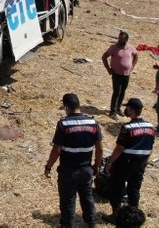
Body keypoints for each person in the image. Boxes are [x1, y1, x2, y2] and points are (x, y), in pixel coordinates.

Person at [44, 93, 103, 228]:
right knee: (87, 198)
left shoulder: (63, 124)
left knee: (68, 201)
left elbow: (56, 150)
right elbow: (99, 149)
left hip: (68, 171)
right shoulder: (93, 123)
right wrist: (96, 166)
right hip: (86, 170)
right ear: (79, 105)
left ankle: (68, 224)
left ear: (66, 107)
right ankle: (91, 223)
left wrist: (48, 167)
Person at [102, 98, 155, 225]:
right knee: (134, 190)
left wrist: (110, 162)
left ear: (132, 110)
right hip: (140, 163)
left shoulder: (128, 128)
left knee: (117, 188)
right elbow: (150, 148)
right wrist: (144, 163)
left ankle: (116, 215)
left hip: (124, 163)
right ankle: (133, 217)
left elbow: (120, 148)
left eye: (128, 108)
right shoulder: (150, 127)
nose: (126, 109)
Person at [101, 31, 138, 119]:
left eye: (122, 39)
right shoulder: (114, 48)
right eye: (119, 38)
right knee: (116, 92)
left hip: (126, 74)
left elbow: (136, 56)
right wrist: (108, 69)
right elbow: (104, 57)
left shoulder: (130, 47)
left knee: (122, 92)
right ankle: (113, 111)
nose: (119, 40)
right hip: (116, 74)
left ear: (126, 40)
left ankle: (118, 108)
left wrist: (132, 67)